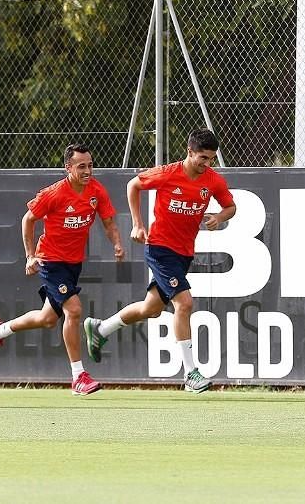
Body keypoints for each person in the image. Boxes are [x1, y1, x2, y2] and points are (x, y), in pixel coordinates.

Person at [83, 128, 236, 394]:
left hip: (183, 253)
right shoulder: (168, 173)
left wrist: (219, 218)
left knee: (151, 309)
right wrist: (137, 224)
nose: (206, 164)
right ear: (189, 152)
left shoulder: (213, 181)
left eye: (211, 158)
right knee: (184, 303)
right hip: (160, 248)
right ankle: (190, 373)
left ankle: (100, 329)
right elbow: (134, 185)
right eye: (202, 157)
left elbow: (230, 206)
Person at [0, 143, 124, 396]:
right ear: (68, 168)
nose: (88, 170)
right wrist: (30, 256)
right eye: (81, 166)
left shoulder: (96, 191)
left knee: (47, 319)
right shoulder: (54, 193)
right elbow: (28, 219)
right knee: (75, 310)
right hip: (51, 260)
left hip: (73, 263)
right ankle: (79, 377)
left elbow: (108, 222)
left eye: (90, 165)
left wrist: (118, 244)